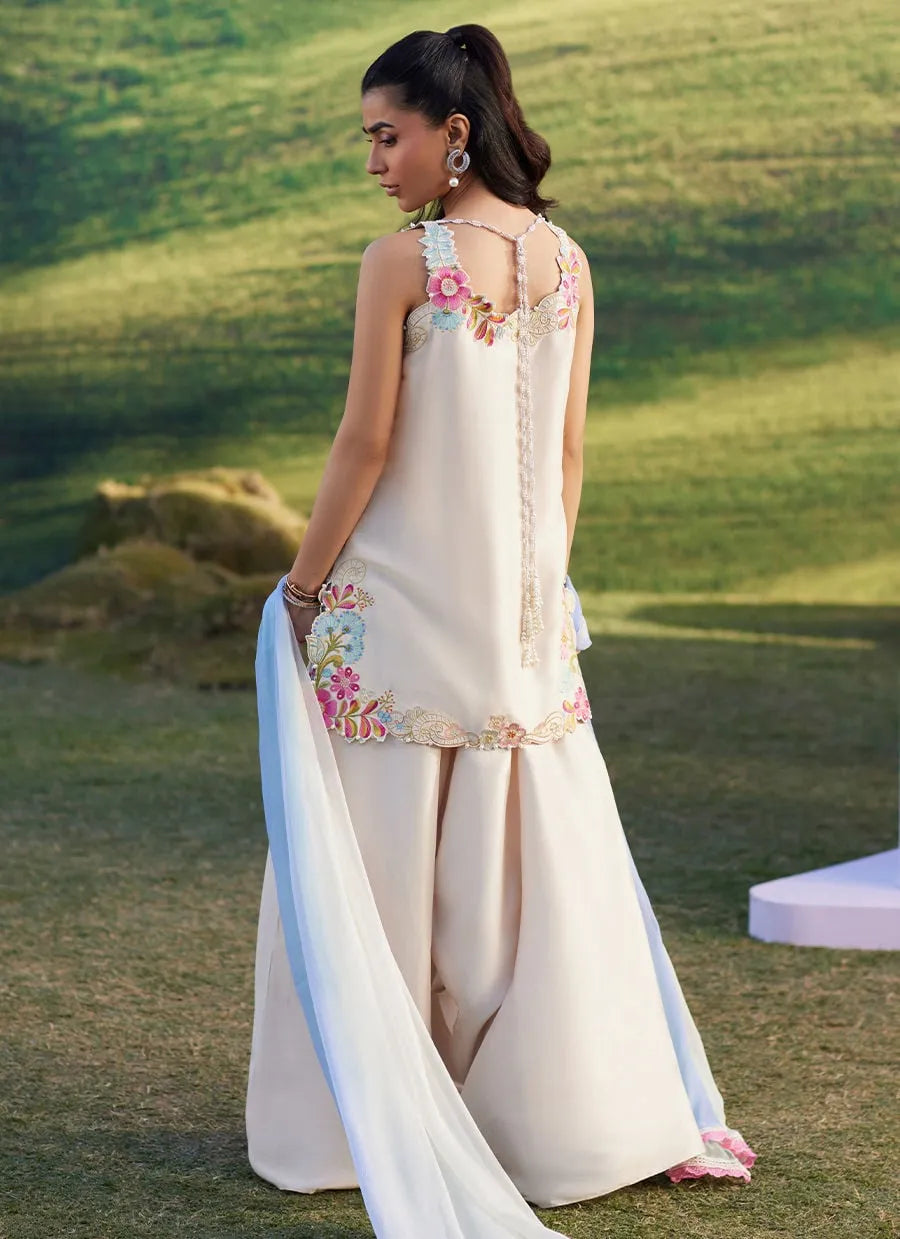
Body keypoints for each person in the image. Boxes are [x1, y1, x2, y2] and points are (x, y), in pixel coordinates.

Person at [247, 23, 756, 1239]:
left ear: (452, 133)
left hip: (402, 608)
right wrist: (540, 591)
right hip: (522, 620)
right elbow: (568, 455)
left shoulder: (405, 262)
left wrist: (305, 589)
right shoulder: (569, 262)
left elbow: (364, 445)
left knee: (379, 858)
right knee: (529, 866)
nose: (373, 161)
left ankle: (365, 1110)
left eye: (387, 135)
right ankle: (561, 1116)